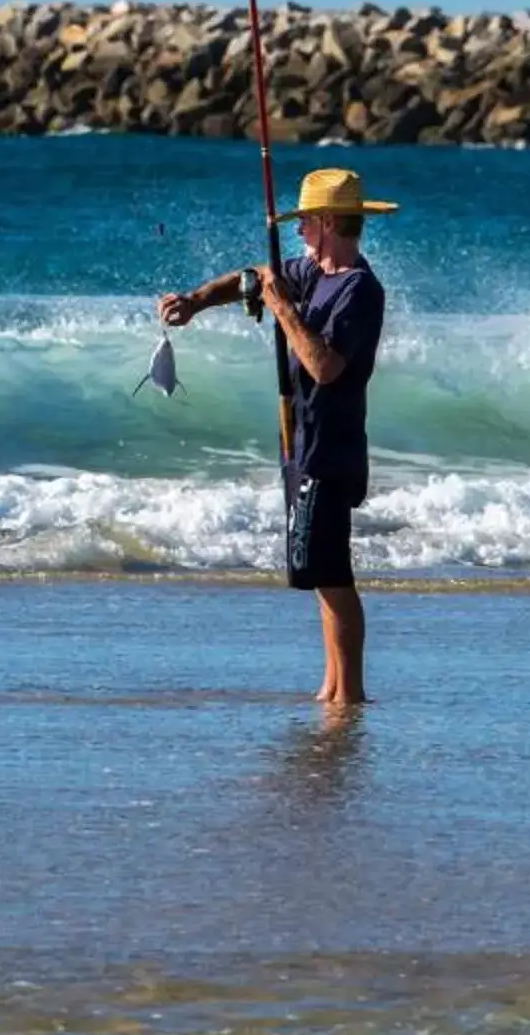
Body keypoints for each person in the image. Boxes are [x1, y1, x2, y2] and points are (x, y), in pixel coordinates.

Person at [158, 166, 394, 705]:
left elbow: (325, 366)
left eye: (306, 223)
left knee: (333, 574)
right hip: (301, 442)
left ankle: (349, 695)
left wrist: (282, 307)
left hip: (331, 447)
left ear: (329, 221)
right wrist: (195, 302)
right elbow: (252, 277)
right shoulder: (311, 273)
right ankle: (332, 686)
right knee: (315, 570)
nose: (300, 233)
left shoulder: (359, 289)